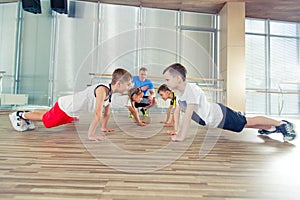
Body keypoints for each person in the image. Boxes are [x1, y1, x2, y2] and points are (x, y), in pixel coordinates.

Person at [162, 63, 297, 142]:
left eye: (167, 80)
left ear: (178, 78)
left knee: (247, 121)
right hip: (217, 120)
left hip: (220, 115)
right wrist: (176, 129)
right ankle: (271, 128)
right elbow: (178, 111)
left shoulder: (191, 90)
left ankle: (282, 124)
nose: (166, 83)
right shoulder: (179, 93)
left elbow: (188, 115)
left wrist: (181, 136)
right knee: (244, 125)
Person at [9, 68, 132, 141]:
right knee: (47, 121)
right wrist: (91, 135)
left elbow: (107, 113)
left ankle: (27, 115)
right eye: (128, 84)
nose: (129, 87)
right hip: (67, 108)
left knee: (48, 115)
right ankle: (20, 115)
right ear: (119, 83)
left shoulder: (109, 93)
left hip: (72, 111)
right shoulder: (102, 90)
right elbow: (97, 113)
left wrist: (103, 127)